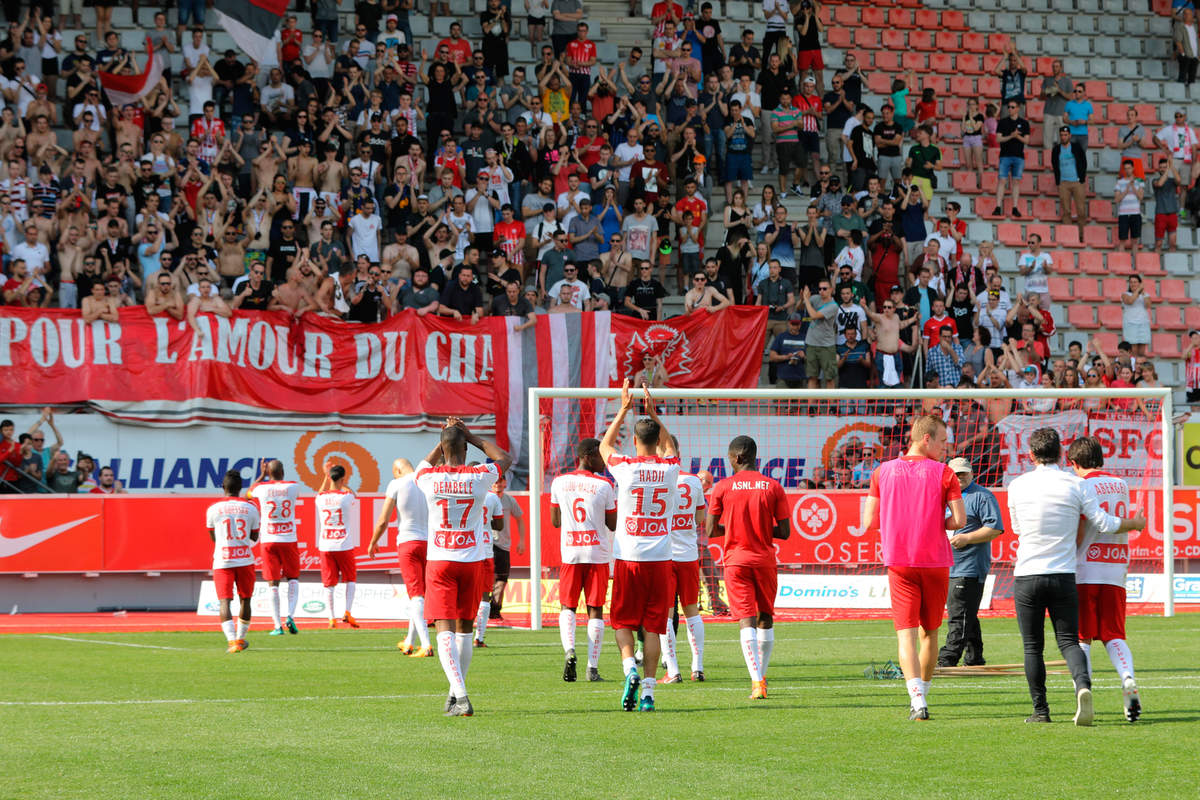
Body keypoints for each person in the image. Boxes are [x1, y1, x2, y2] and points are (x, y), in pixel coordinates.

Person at [1007, 428, 1145, 725]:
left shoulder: (1018, 485)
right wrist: (1135, 523)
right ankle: (1112, 680)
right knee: (1091, 638)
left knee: (1040, 645)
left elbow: (1018, 528)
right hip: (1098, 569)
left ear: (1031, 455)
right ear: (1059, 454)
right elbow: (1105, 523)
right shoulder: (1104, 484)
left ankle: (1043, 709)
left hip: (1053, 571)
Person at [860, 414, 967, 720]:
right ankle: (924, 695)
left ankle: (916, 700)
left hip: (899, 560)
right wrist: (933, 522)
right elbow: (960, 521)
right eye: (943, 441)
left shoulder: (882, 472)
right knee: (930, 633)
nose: (947, 447)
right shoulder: (944, 473)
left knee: (905, 635)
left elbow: (869, 522)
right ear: (926, 439)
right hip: (934, 561)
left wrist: (898, 520)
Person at [415, 418, 512, 717]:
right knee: (465, 631)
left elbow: (421, 466)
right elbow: (505, 459)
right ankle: (454, 694)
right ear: (465, 448)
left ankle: (461, 695)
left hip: (441, 561)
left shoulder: (430, 478)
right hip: (472, 560)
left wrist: (444, 441)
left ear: (444, 451)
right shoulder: (479, 475)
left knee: (443, 628)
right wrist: (470, 436)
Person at [599, 379, 680, 712]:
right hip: (660, 559)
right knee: (654, 627)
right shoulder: (671, 468)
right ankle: (648, 692)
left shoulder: (626, 468)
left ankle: (629, 668)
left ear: (634, 441)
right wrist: (653, 412)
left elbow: (604, 446)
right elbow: (671, 445)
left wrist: (623, 409)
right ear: (658, 441)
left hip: (630, 557)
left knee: (621, 622)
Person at [706, 434, 790, 699]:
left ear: (738, 457)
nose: (729, 462)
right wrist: (761, 528)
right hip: (764, 561)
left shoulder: (722, 487)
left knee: (746, 620)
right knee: (765, 618)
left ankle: (756, 681)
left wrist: (733, 528)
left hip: (736, 562)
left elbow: (710, 530)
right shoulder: (773, 486)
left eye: (730, 458)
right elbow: (785, 532)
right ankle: (761, 679)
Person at [1068, 436, 1142, 722]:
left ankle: (1083, 692)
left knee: (1082, 637)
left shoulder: (1080, 485)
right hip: (1115, 567)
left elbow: (1080, 525)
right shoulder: (1120, 483)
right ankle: (1127, 679)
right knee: (1114, 634)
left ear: (1074, 463)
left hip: (1085, 567)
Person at [550, 438, 617, 682]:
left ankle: (569, 650)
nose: (604, 461)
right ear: (588, 456)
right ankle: (592, 667)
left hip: (571, 552)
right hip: (596, 553)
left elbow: (555, 521)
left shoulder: (559, 482)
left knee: (567, 606)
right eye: (600, 456)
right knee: (595, 609)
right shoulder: (604, 485)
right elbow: (612, 523)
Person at [936, 458, 1003, 668]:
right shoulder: (943, 496)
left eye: (964, 473)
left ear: (972, 474)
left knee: (959, 615)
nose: (960, 477)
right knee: (967, 614)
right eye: (956, 474)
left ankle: (947, 659)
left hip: (970, 567)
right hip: (948, 566)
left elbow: (995, 528)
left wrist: (967, 538)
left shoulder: (983, 496)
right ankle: (975, 658)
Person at [369, 458, 434, 657]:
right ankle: (409, 641)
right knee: (420, 595)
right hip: (429, 542)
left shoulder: (397, 484)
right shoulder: (427, 481)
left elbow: (383, 520)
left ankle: (426, 644)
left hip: (408, 541)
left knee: (416, 595)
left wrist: (373, 542)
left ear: (397, 470)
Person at [660, 440, 707, 683]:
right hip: (689, 554)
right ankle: (697, 667)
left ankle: (673, 670)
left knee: (665, 614)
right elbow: (700, 516)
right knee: (692, 611)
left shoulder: (659, 479)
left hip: (664, 555)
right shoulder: (693, 481)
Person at [205, 470, 261, 654]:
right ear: (240, 488)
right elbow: (254, 536)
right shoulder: (251, 508)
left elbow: (213, 536)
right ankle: (240, 638)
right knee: (245, 599)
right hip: (245, 559)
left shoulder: (213, 509)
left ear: (223, 487)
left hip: (223, 560)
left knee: (224, 602)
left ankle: (231, 642)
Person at [248, 459, 302, 637]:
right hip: (289, 538)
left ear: (269, 473)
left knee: (273, 583)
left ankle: (277, 625)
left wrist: (261, 476)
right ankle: (291, 616)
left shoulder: (261, 488)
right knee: (293, 578)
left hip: (269, 539)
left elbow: (248, 494)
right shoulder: (293, 486)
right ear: (283, 471)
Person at [316, 463, 361, 630]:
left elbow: (320, 492)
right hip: (344, 544)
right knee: (350, 579)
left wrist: (325, 476)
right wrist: (344, 484)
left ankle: (331, 618)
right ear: (343, 479)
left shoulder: (320, 498)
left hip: (326, 545)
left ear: (329, 478)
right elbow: (354, 495)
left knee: (329, 584)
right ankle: (347, 612)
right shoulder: (346, 497)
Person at [489, 473, 525, 621]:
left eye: (500, 481)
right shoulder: (487, 499)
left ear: (505, 483)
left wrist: (522, 540)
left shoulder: (509, 500)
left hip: (503, 545)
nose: (498, 484)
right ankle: (484, 608)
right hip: (487, 544)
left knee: (502, 579)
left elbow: (520, 519)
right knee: (487, 578)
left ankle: (495, 610)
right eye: (495, 482)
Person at [993, 100, 1030, 218]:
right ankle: (998, 206)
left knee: (1016, 181)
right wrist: (1011, 136)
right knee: (1002, 181)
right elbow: (998, 139)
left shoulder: (1024, 123)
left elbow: (1027, 141)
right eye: (1008, 107)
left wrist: (1016, 136)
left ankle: (1015, 207)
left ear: (1018, 108)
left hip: (1018, 156)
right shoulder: (1003, 122)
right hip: (1005, 155)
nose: (1010, 109)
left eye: (1012, 107)